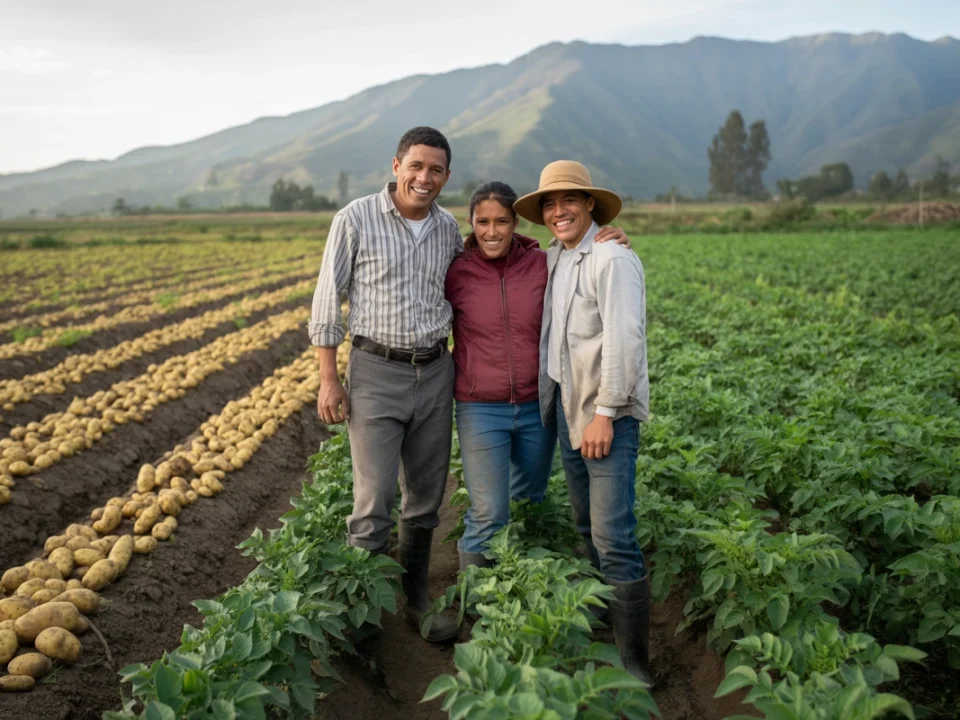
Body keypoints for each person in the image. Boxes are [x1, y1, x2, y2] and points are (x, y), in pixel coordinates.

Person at [309, 126, 462, 643]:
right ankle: (363, 619)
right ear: (396, 166)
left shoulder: (448, 229)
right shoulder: (355, 219)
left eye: (435, 169)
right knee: (373, 500)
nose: (425, 177)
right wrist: (329, 378)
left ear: (446, 176)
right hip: (376, 370)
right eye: (416, 166)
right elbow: (328, 300)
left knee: (425, 496)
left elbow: (483, 272)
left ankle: (415, 601)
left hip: (436, 370)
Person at [514, 160, 652, 684]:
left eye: (568, 200)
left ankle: (635, 664)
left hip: (603, 420)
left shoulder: (611, 259)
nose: (557, 211)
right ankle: (599, 619)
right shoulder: (555, 256)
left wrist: (605, 415)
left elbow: (625, 340)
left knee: (614, 536)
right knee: (586, 528)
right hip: (568, 412)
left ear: (590, 204)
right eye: (548, 204)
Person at [445, 182, 629, 571]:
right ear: (471, 224)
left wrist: (610, 238)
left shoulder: (543, 262)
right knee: (489, 512)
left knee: (530, 501)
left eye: (501, 221)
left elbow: (583, 251)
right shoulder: (454, 272)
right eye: (482, 222)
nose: (491, 231)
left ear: (515, 224)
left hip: (537, 406)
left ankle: (526, 589)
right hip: (480, 407)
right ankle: (478, 611)